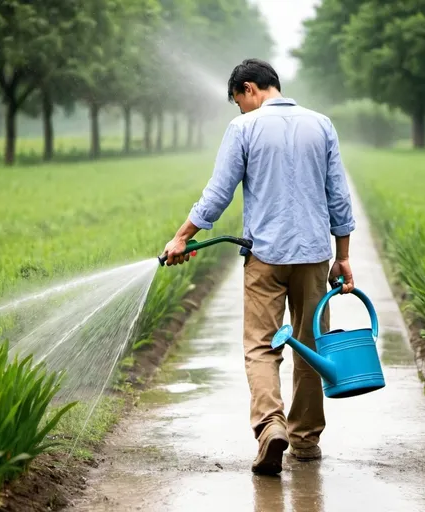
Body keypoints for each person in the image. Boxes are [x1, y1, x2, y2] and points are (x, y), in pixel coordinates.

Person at [162, 58, 355, 475]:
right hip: (313, 255)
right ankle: (305, 440)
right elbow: (338, 196)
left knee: (260, 346)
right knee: (311, 346)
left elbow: (217, 194)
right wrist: (343, 256)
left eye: (239, 102)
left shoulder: (244, 129)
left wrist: (182, 235)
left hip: (265, 257)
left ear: (250, 88)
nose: (240, 110)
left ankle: (271, 428)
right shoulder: (321, 125)